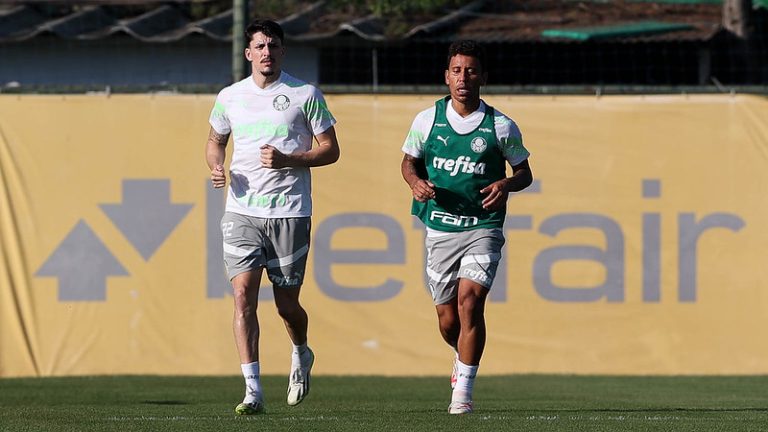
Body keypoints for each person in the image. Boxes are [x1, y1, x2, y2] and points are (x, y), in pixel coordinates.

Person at [205, 19, 340, 415]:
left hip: (290, 213)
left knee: (286, 306)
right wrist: (216, 166)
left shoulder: (305, 94)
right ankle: (253, 391)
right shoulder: (229, 96)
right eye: (260, 46)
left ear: (283, 51)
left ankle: (300, 351)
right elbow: (215, 142)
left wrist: (289, 159)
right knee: (243, 295)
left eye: (273, 46)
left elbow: (331, 149)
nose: (267, 52)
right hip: (241, 211)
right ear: (248, 53)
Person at [400, 40, 533, 415]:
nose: (463, 77)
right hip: (441, 227)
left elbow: (524, 172)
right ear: (446, 76)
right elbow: (409, 163)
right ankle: (461, 360)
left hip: (483, 225)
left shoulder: (501, 125)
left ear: (483, 78)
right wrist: (414, 182)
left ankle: (463, 395)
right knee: (448, 321)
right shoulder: (427, 120)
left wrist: (505, 184)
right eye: (457, 70)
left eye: (471, 71)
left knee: (471, 302)